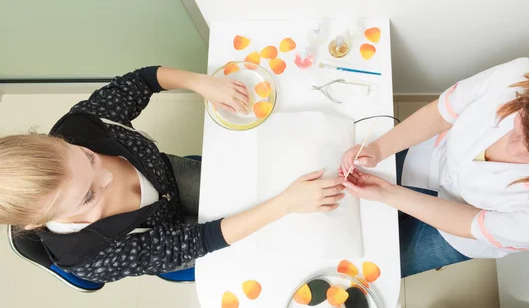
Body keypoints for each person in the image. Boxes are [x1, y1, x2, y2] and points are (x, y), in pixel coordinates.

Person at [0, 66, 345, 282]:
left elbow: (141, 81)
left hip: (173, 176)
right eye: (89, 196)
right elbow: (198, 241)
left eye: (89, 158)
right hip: (171, 241)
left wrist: (200, 83)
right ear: (38, 223)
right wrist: (284, 205)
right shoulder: (89, 257)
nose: (107, 177)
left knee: (259, 193)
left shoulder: (83, 123)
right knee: (263, 246)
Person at [340, 56, 529, 277]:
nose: (512, 150)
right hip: (433, 155)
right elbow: (443, 113)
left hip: (458, 231)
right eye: (521, 129)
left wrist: (388, 194)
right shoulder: (517, 76)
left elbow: (472, 223)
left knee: (370, 266)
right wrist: (379, 149)